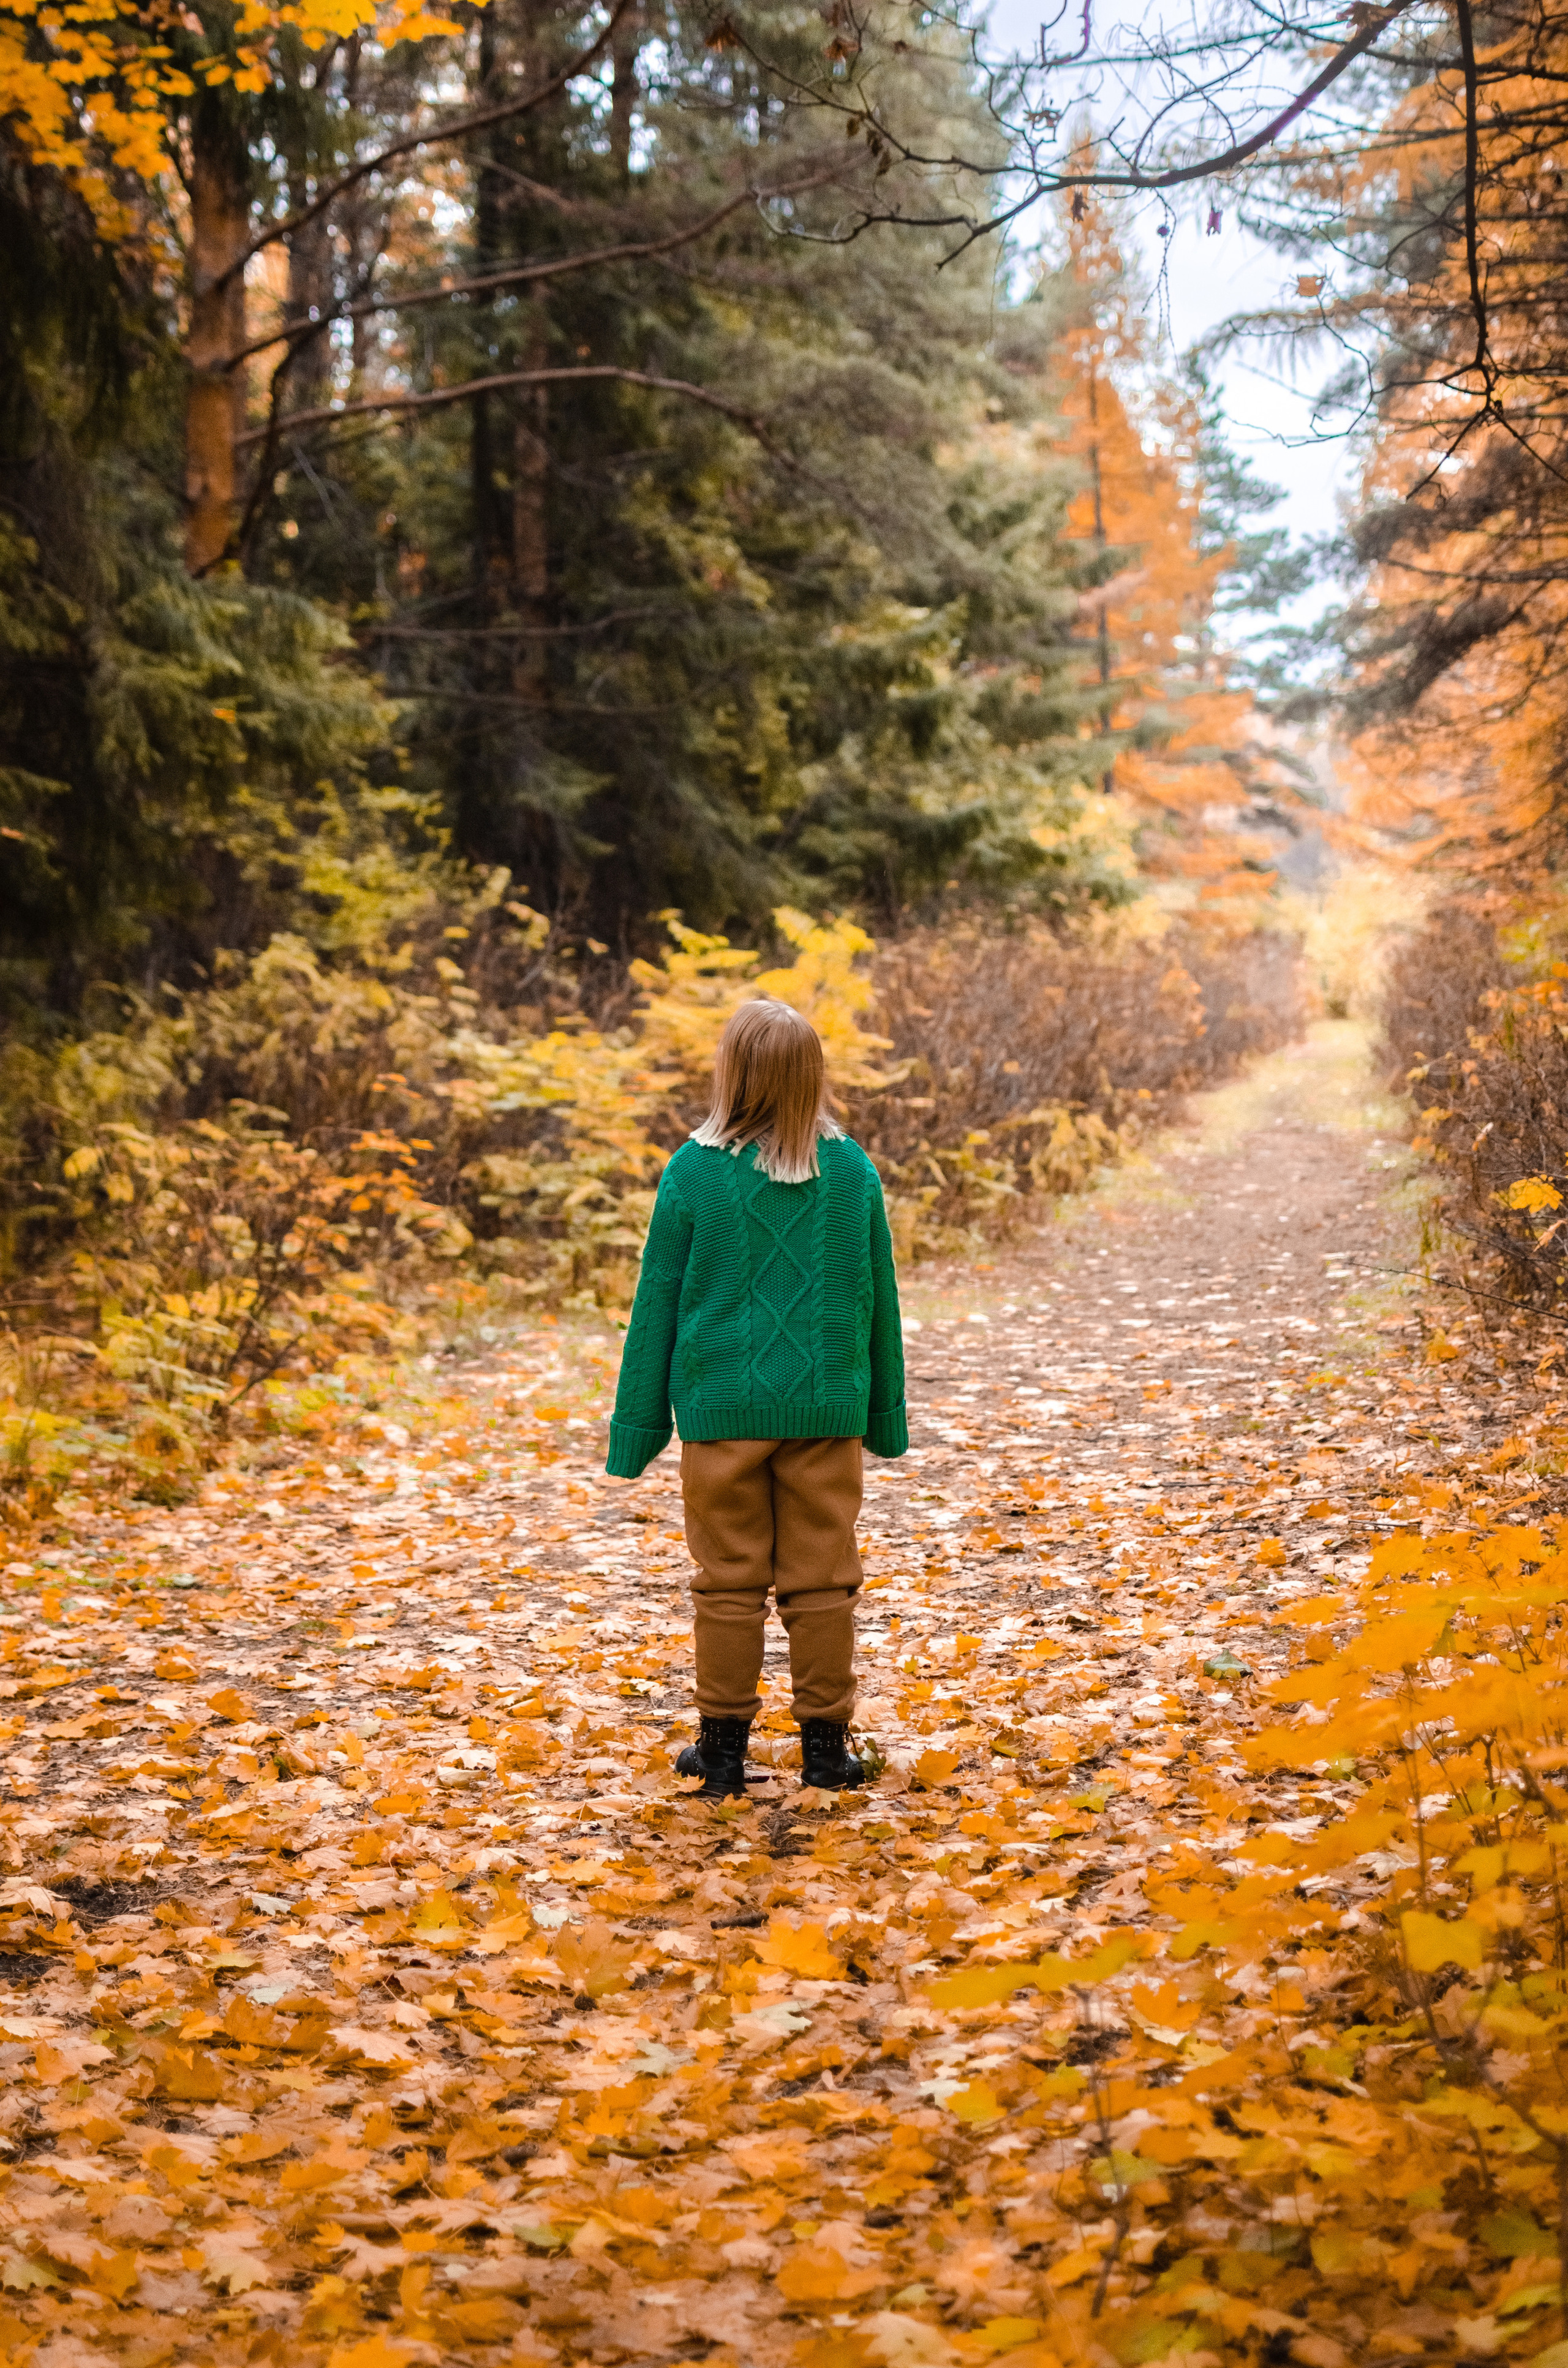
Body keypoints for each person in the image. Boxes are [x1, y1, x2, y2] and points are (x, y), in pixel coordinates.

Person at [605, 995, 908, 1798]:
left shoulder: (694, 1171)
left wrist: (638, 1425)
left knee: (728, 1582)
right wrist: (884, 1417)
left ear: (732, 1074)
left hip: (721, 1414)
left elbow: (657, 1300)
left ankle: (725, 1753)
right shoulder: (851, 1172)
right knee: (824, 1578)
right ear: (814, 1077)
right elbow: (879, 1296)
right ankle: (825, 1752)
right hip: (825, 1413)